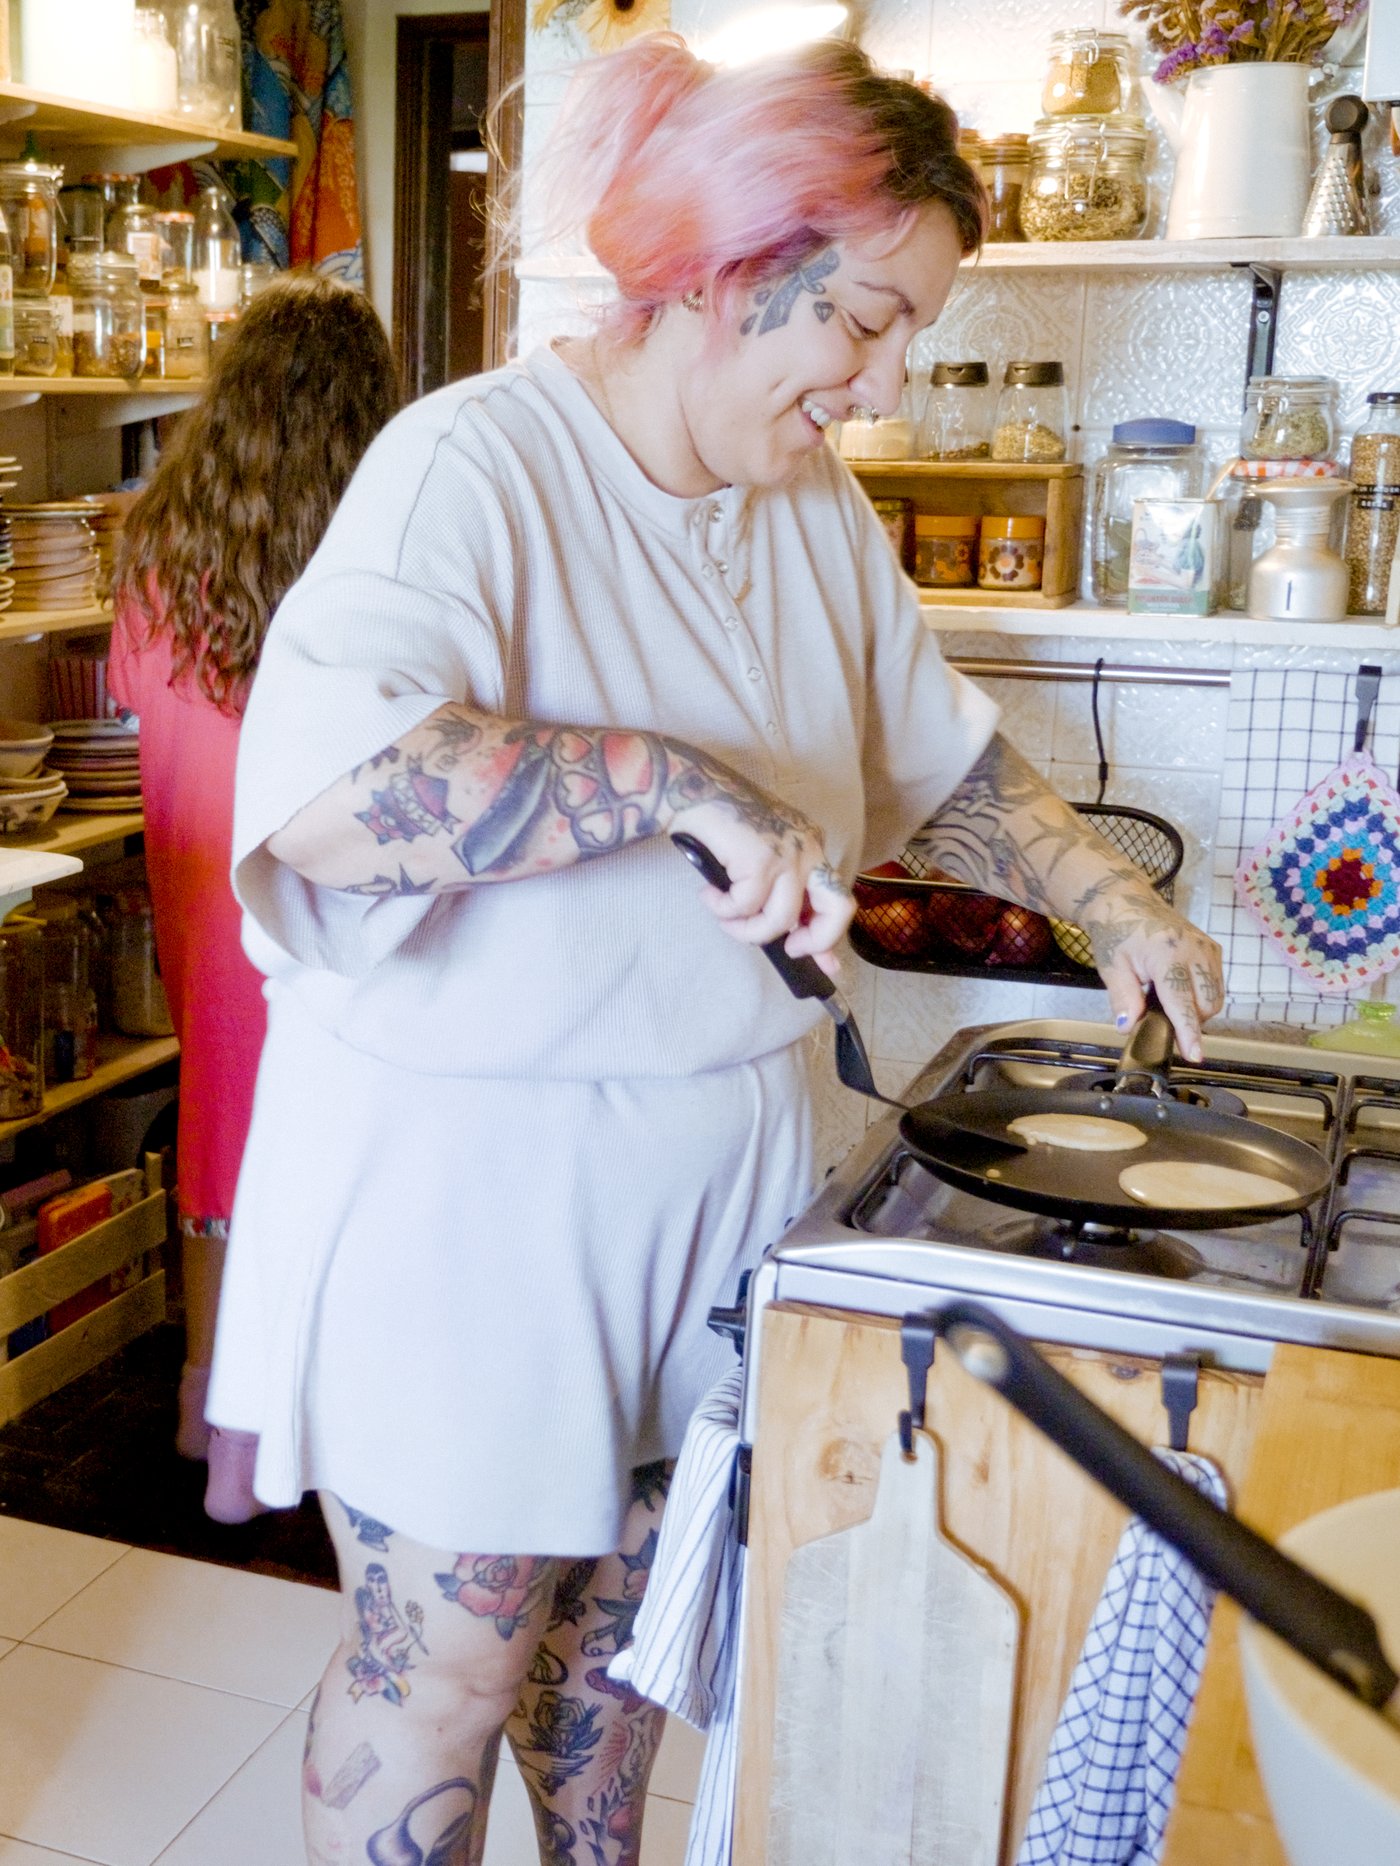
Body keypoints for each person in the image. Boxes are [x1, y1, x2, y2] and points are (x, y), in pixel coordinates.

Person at [207, 36, 1225, 1862]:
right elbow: (332, 796)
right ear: (743, 269)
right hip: (476, 1195)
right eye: (873, 320)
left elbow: (942, 758)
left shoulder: (808, 506)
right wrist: (676, 785)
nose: (889, 378)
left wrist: (1112, 897)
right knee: (443, 1668)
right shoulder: (476, 467)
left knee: (613, 1664)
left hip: (714, 1184)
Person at [109, 274, 400, 1523]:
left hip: (194, 875)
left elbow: (133, 693)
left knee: (218, 1135)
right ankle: (315, 1415)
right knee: (338, 1138)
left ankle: (207, 1405)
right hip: (317, 881)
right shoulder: (374, 551)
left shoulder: (160, 545)